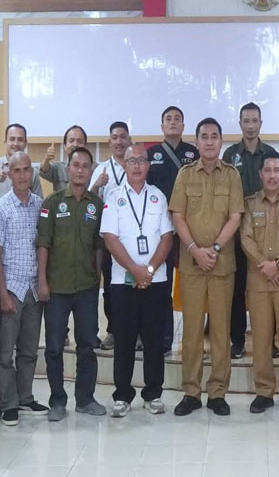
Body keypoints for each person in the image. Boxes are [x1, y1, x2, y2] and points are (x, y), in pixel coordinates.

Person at [169, 117, 244, 417]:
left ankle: (217, 393)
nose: (210, 141)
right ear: (197, 142)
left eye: (215, 136)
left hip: (222, 264)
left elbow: (236, 217)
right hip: (191, 265)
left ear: (221, 141)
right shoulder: (185, 174)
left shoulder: (232, 175)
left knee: (221, 331)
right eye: (204, 136)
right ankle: (191, 391)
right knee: (191, 332)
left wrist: (212, 250)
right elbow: (177, 216)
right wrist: (194, 250)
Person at [101, 145, 173, 418]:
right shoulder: (114, 197)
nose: (137, 166)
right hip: (123, 281)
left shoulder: (158, 197)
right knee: (125, 339)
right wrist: (135, 269)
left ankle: (153, 393)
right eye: (132, 161)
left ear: (148, 165)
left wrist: (150, 269)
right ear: (124, 165)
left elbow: (167, 237)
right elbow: (110, 238)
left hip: (156, 280)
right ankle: (122, 395)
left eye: (141, 161)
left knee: (154, 339)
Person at [37, 146, 106, 422]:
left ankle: (85, 398)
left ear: (91, 171)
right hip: (56, 288)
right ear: (68, 169)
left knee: (87, 345)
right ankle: (57, 401)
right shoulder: (52, 203)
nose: (80, 170)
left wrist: (97, 277)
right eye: (75, 165)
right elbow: (43, 244)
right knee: (54, 347)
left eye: (85, 166)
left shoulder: (97, 206)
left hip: (87, 288)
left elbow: (100, 246)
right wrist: (42, 281)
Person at [240, 151, 279, 414]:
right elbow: (245, 238)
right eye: (268, 170)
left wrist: (275, 264)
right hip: (258, 282)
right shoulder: (250, 203)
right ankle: (264, 391)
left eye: (277, 170)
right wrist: (264, 266)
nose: (272, 175)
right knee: (262, 338)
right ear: (260, 174)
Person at [0, 151, 48, 426]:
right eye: (18, 170)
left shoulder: (40, 205)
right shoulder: (1, 208)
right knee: (6, 353)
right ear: (9, 173)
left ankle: (25, 397)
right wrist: (2, 293)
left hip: (34, 289)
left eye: (27, 170)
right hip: (12, 288)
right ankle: (8, 403)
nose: (23, 175)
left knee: (29, 350)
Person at [222, 102, 279, 359]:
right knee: (237, 289)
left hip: (266, 234)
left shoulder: (271, 154)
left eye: (255, 120)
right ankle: (237, 340)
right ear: (240, 123)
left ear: (261, 123)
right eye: (246, 120)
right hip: (235, 233)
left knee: (266, 288)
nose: (251, 125)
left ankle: (269, 341)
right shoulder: (230, 155)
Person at [147, 106, 198, 357]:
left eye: (178, 118)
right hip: (161, 231)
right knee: (162, 284)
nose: (173, 122)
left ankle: (195, 339)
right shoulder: (151, 153)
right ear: (161, 126)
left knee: (193, 285)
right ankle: (164, 339)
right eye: (168, 118)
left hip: (190, 229)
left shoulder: (194, 153)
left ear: (183, 125)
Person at [89, 121, 131, 351]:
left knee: (134, 285)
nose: (119, 141)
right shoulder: (102, 169)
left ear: (129, 140)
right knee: (113, 287)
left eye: (123, 137)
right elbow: (89, 199)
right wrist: (97, 185)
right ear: (109, 141)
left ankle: (135, 333)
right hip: (108, 239)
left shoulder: (136, 166)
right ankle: (114, 331)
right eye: (115, 137)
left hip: (133, 238)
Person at [0, 123, 43, 203]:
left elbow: (39, 202)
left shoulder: (32, 172)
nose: (16, 144)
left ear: (25, 143)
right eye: (12, 139)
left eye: (20, 140)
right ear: (5, 141)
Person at [39, 125, 91, 194]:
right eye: (71, 141)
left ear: (85, 146)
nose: (75, 144)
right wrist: (47, 158)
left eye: (79, 141)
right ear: (65, 146)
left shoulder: (94, 168)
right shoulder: (58, 167)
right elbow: (44, 170)